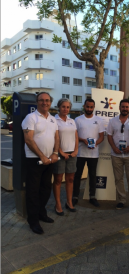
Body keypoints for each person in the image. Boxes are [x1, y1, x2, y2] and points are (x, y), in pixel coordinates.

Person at [22, 92, 59, 234]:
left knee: (45, 189)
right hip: (34, 160)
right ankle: (33, 221)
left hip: (50, 159)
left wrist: (55, 153)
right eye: (42, 100)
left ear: (50, 102)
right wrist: (42, 156)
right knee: (33, 191)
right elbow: (28, 140)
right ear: (37, 102)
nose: (45, 103)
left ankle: (41, 214)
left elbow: (56, 137)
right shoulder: (30, 118)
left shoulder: (52, 119)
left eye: (47, 100)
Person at [107, 99, 129, 211]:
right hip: (116, 155)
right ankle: (121, 200)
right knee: (118, 179)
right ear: (119, 108)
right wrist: (114, 148)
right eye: (123, 107)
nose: (125, 109)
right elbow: (109, 136)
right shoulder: (112, 121)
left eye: (127, 107)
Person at [72, 98, 104, 207]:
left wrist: (95, 143)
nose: (89, 109)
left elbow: (101, 137)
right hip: (80, 152)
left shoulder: (99, 120)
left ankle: (92, 197)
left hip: (93, 153)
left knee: (93, 175)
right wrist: (83, 140)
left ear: (93, 107)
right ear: (84, 106)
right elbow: (74, 136)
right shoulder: (78, 120)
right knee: (77, 175)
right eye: (87, 106)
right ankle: (75, 196)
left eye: (91, 107)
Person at [53, 98, 78, 216]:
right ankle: (58, 204)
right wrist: (60, 152)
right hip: (59, 153)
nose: (65, 109)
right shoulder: (54, 120)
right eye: (63, 107)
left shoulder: (72, 121)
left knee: (70, 179)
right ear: (59, 107)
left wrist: (76, 150)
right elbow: (54, 138)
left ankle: (69, 202)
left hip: (72, 154)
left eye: (68, 107)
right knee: (58, 180)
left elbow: (76, 137)